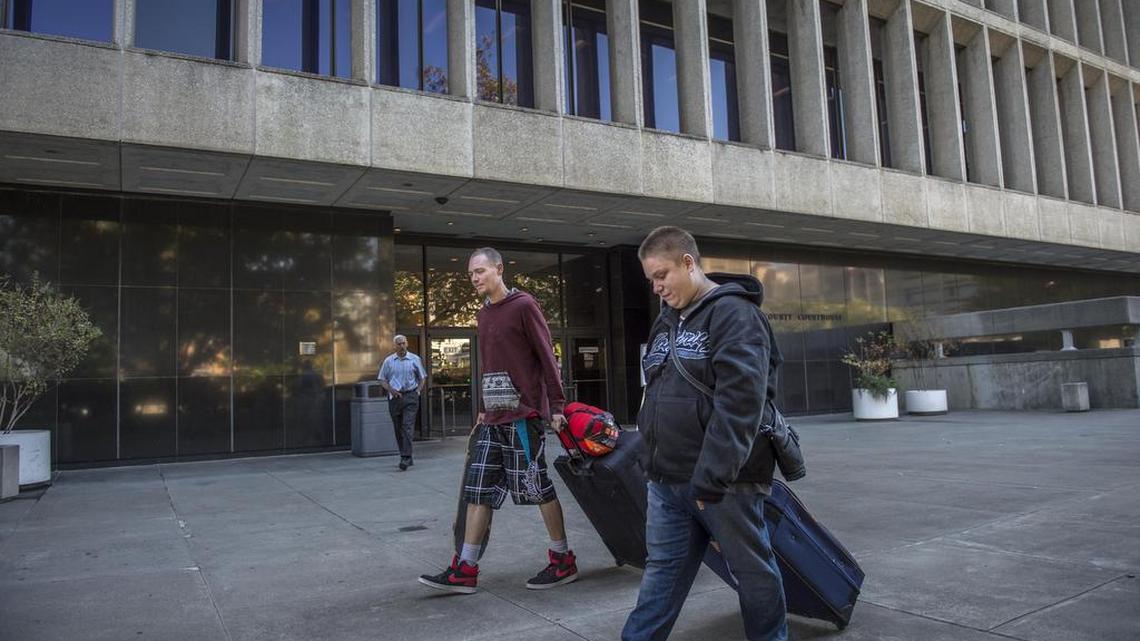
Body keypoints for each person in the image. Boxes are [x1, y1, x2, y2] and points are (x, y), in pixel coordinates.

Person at [622, 226, 787, 641]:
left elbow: (742, 403)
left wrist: (712, 477)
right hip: (666, 479)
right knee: (662, 571)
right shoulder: (665, 323)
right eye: (651, 280)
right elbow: (656, 394)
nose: (657, 287)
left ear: (688, 263)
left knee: (752, 572)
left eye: (662, 275)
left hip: (725, 482)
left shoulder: (736, 315)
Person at [418, 247, 579, 594]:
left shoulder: (524, 306)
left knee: (537, 489)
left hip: (523, 417)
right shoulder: (482, 314)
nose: (475, 278)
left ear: (499, 269)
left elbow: (547, 356)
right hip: (492, 418)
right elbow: (488, 363)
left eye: (480, 271)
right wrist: (480, 406)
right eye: (471, 273)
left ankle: (563, 560)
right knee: (477, 492)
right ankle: (466, 569)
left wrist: (557, 405)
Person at [378, 334, 427, 471]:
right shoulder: (389, 361)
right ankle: (406, 456)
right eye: (399, 344)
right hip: (395, 398)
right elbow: (382, 379)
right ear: (395, 346)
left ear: (407, 344)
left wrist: (417, 391)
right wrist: (391, 390)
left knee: (407, 427)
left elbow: (422, 377)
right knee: (398, 428)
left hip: (410, 396)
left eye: (403, 343)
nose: (401, 346)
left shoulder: (414, 359)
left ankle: (405, 457)